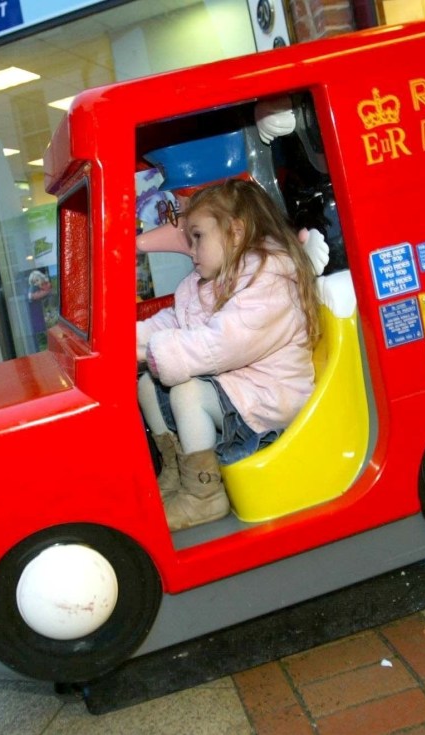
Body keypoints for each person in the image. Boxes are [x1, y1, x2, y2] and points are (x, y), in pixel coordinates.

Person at [136, 179, 321, 531]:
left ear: (235, 232)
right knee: (147, 383)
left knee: (187, 392)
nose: (190, 249)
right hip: (238, 387)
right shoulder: (207, 281)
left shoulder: (269, 280)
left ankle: (204, 496)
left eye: (198, 237)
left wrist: (156, 351)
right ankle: (181, 475)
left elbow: (224, 343)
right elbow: (178, 320)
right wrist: (130, 342)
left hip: (271, 399)